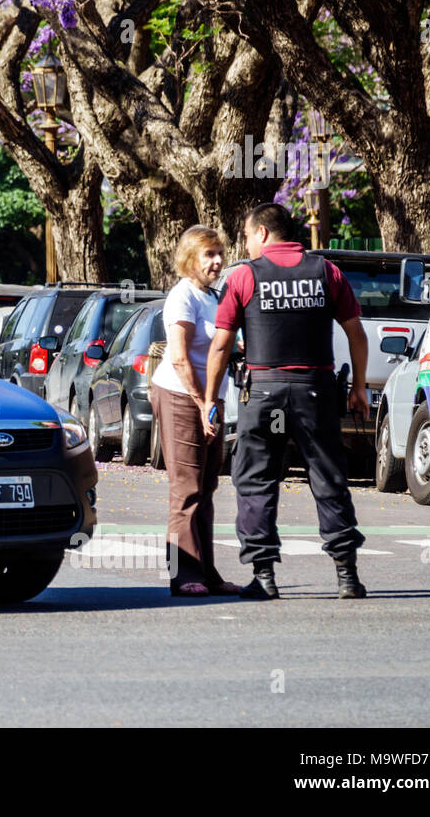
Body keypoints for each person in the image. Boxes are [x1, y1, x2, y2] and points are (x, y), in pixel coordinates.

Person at [204, 204, 370, 600]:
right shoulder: (326, 272)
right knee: (328, 478)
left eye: (245, 235)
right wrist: (359, 387)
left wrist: (210, 397)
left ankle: (264, 577)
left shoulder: (245, 276)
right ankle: (347, 574)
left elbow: (221, 345)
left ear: (263, 233)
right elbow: (356, 334)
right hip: (315, 390)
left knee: (257, 479)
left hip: (264, 392)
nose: (245, 243)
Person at [150, 225, 242, 597]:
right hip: (180, 395)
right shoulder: (182, 297)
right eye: (209, 254)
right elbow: (179, 358)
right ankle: (183, 574)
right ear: (190, 258)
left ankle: (207, 573)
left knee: (207, 486)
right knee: (186, 489)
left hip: (209, 399)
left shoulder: (212, 295)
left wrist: (213, 402)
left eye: (220, 253)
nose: (218, 261)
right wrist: (202, 403)